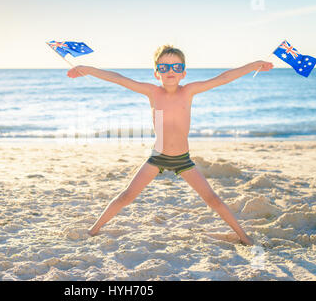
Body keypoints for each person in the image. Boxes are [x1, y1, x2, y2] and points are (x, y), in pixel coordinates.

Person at [67, 44, 273, 246]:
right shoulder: (152, 92)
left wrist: (254, 65)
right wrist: (87, 70)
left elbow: (223, 78)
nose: (170, 71)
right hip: (158, 157)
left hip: (184, 159)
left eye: (176, 67)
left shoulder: (189, 91)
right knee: (126, 196)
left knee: (213, 200)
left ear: (183, 72)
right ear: (157, 73)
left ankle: (243, 236)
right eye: (164, 67)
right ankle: (93, 230)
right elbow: (120, 79)